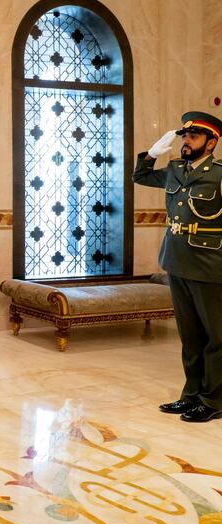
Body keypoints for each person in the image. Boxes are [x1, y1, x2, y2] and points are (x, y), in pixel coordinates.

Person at [133, 111, 222, 423]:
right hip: (177, 260)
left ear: (211, 143)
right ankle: (191, 395)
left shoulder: (219, 174)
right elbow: (140, 177)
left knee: (215, 336)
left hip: (211, 265)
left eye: (194, 137)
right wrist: (150, 155)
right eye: (185, 136)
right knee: (190, 336)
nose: (186, 141)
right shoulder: (174, 170)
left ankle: (213, 401)